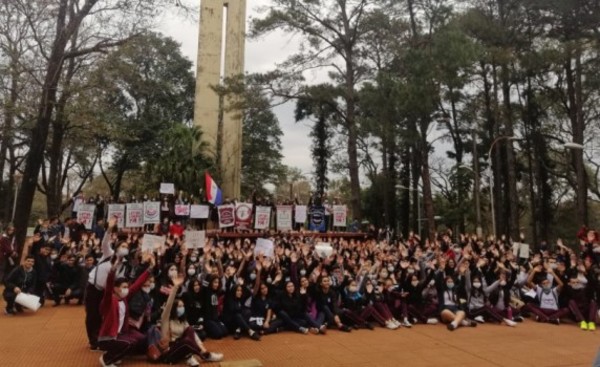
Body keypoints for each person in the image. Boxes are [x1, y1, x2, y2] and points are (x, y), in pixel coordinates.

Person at [97, 253, 155, 367]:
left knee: (141, 339)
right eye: (123, 287)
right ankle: (106, 359)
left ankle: (117, 354)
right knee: (129, 343)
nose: (126, 289)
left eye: (127, 287)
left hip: (122, 333)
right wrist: (112, 271)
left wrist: (150, 269)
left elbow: (137, 284)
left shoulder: (124, 299)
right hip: (108, 336)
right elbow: (108, 288)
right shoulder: (109, 300)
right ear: (116, 289)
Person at [159, 274, 223, 366]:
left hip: (182, 349)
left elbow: (193, 336)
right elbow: (168, 305)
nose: (182, 308)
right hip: (169, 354)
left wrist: (201, 347)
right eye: (179, 307)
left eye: (183, 306)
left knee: (190, 330)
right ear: (174, 309)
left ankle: (192, 356)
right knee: (186, 342)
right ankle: (206, 355)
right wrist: (175, 287)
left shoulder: (182, 320)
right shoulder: (166, 319)